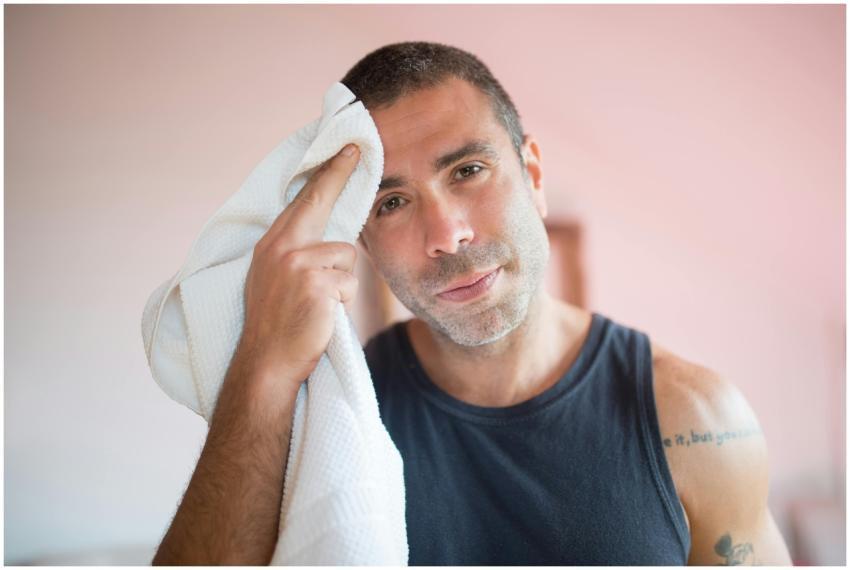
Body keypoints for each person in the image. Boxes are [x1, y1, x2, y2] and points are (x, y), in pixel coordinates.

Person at [152, 42, 793, 565]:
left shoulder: (695, 418)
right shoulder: (327, 422)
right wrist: (261, 367)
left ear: (532, 175)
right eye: (392, 203)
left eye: (467, 171)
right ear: (364, 239)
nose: (446, 235)